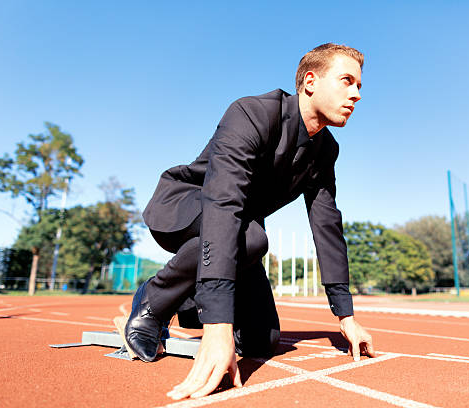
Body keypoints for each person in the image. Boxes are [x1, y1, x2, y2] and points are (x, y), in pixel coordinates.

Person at [125, 43, 377, 400]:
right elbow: (222, 203)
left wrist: (345, 315)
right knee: (255, 238)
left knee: (262, 340)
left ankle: (188, 299)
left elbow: (327, 226)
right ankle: (154, 300)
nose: (357, 94)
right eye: (347, 81)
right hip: (187, 208)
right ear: (310, 81)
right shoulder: (252, 112)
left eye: (360, 86)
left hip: (240, 232)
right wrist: (216, 326)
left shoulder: (326, 150)